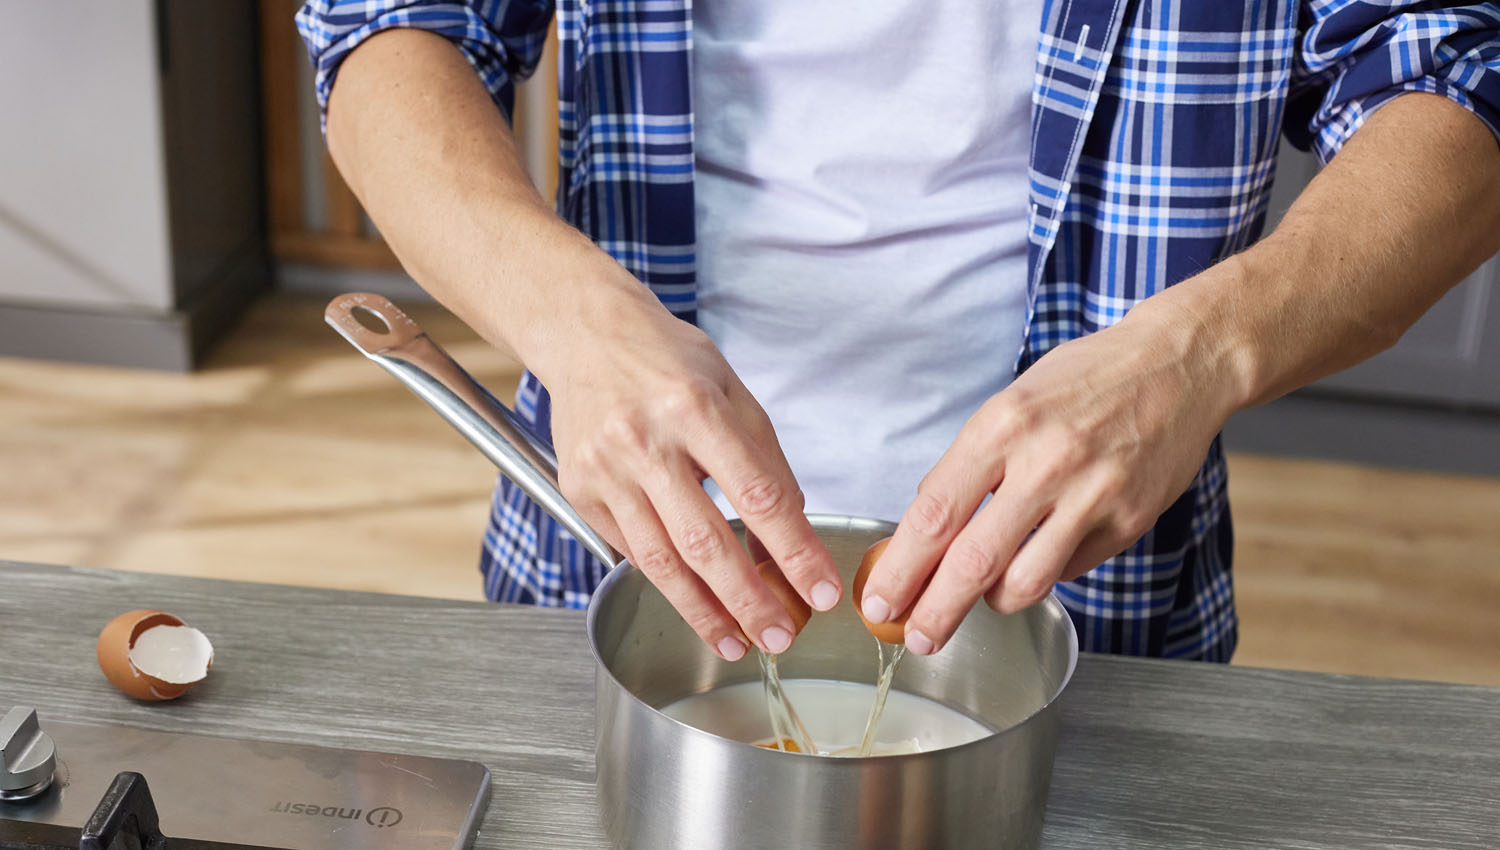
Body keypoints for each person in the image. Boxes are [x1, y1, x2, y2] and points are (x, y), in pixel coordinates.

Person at [297, 1, 1500, 664]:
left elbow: (1456, 77)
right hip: (610, 563)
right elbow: (384, 34)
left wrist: (1202, 349)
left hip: (1097, 603)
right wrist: (568, 316)